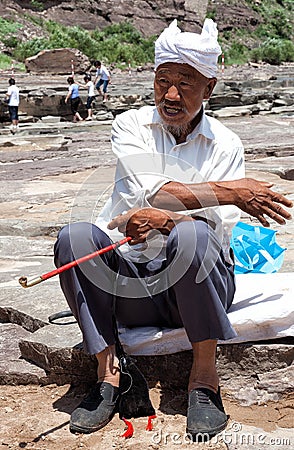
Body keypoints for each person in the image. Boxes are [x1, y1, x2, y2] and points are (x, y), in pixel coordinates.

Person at [54, 19, 293, 440]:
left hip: (196, 290)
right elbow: (154, 193)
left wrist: (170, 215)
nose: (170, 94)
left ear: (210, 88)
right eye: (162, 81)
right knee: (74, 236)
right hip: (133, 289)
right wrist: (232, 192)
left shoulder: (226, 143)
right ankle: (109, 373)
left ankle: (204, 379)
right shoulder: (129, 126)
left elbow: (204, 228)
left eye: (185, 83)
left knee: (192, 236)